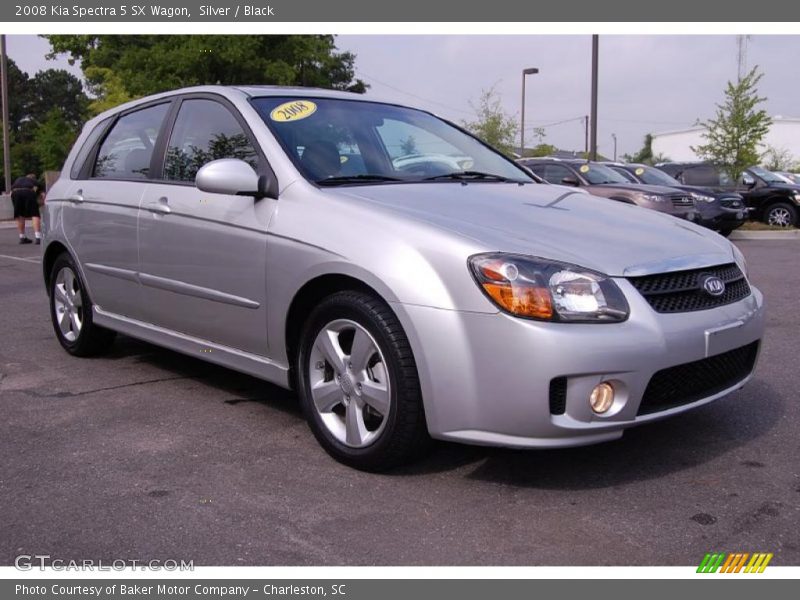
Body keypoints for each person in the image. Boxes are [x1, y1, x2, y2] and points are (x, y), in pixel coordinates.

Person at [10, 172, 41, 245]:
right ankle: (38, 237)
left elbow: (11, 192)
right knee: (35, 214)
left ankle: (22, 237)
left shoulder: (19, 179)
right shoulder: (34, 182)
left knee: (19, 215)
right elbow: (41, 195)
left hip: (15, 193)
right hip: (28, 191)